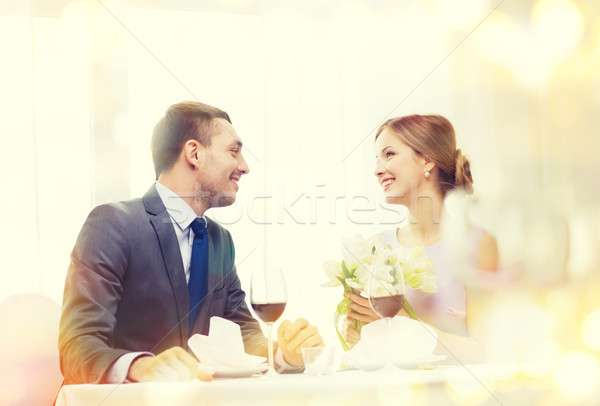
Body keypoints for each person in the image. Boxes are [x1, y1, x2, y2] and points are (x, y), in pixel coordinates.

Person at [59, 101, 323, 384]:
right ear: (194, 153)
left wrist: (284, 353)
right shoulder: (113, 223)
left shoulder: (219, 240)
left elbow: (243, 332)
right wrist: (143, 367)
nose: (244, 167)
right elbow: (78, 344)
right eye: (234, 151)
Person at [342, 114, 497, 362]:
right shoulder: (375, 249)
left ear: (426, 160)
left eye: (389, 154)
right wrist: (359, 336)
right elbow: (368, 348)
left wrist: (406, 325)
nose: (377, 169)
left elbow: (487, 351)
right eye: (377, 159)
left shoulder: (478, 244)